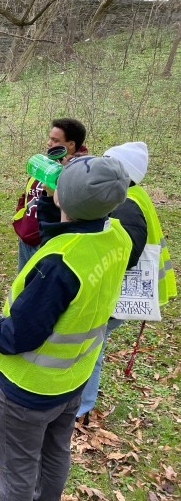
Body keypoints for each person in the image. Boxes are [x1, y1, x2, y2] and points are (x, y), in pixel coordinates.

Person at [0, 156, 132, 501]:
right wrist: (57, 203)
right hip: (74, 378)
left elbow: (21, 333)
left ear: (66, 198)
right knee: (54, 451)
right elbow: (72, 238)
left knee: (17, 469)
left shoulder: (57, 265)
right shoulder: (117, 236)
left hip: (30, 388)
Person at [76, 142, 177, 422]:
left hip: (119, 294)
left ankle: (81, 407)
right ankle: (80, 404)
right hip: (123, 292)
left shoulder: (127, 204)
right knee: (92, 344)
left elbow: (126, 254)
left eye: (108, 162)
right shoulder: (132, 194)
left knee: (90, 346)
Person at [13, 118, 88, 273]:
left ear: (71, 144)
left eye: (55, 140)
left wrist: (58, 191)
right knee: (21, 288)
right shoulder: (45, 164)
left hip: (47, 242)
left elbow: (76, 214)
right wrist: (21, 222)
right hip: (26, 237)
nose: (49, 143)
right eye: (49, 138)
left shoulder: (80, 173)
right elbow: (28, 194)